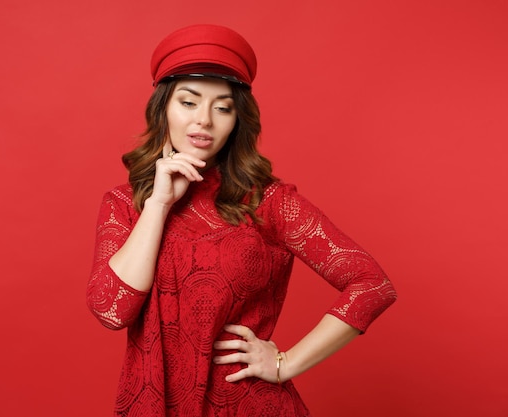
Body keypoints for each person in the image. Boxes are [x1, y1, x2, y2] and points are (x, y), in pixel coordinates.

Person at [86, 24, 397, 417]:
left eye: (222, 107)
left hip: (245, 405)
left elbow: (372, 285)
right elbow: (111, 310)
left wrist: (287, 363)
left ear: (237, 120)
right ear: (163, 107)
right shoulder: (124, 204)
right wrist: (159, 204)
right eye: (188, 102)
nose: (204, 120)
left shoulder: (268, 202)